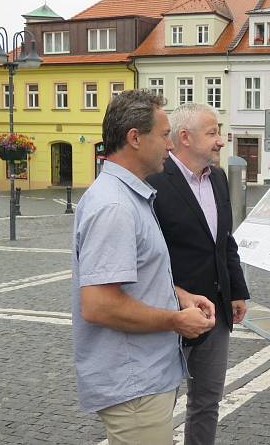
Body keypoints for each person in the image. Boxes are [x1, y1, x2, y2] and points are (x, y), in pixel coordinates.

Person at [72, 90, 216, 445]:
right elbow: (99, 304)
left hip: (143, 376)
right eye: (164, 134)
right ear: (135, 138)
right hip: (133, 382)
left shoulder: (128, 197)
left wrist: (179, 296)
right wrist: (174, 320)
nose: (170, 145)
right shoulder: (115, 207)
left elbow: (135, 276)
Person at [147, 103, 250, 445]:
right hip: (170, 313)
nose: (221, 141)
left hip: (216, 312)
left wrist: (236, 290)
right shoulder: (155, 182)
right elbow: (147, 254)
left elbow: (224, 242)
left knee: (207, 402)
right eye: (213, 133)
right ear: (185, 138)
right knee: (160, 404)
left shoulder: (218, 178)